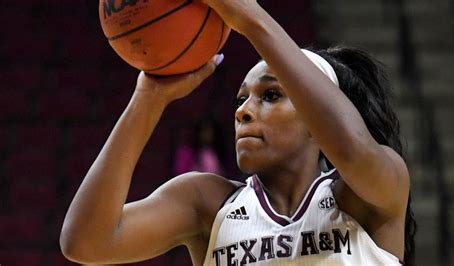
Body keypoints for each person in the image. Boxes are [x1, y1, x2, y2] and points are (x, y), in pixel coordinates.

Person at [60, 0, 416, 265]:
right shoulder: (207, 204)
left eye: (271, 95)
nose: (243, 111)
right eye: (242, 98)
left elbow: (353, 150)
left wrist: (251, 18)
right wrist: (148, 98)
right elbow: (84, 243)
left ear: (316, 119)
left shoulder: (369, 193)